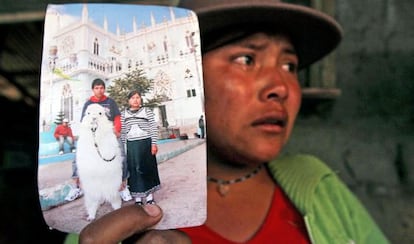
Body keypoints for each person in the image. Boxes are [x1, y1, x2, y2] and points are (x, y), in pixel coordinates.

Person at [74, 0, 390, 243]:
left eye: (290, 65)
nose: (281, 87)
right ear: (187, 75)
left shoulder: (318, 185)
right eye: (246, 59)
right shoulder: (117, 209)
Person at [65, 78, 132, 202]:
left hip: (109, 133)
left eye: (101, 88)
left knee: (121, 154)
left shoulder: (110, 102)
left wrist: (117, 130)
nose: (99, 90)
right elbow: (84, 121)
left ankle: (122, 186)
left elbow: (117, 117)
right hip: (93, 134)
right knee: (77, 156)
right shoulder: (88, 104)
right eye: (96, 88)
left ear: (104, 89)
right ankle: (76, 186)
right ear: (93, 89)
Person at [120, 90, 161, 205]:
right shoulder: (124, 114)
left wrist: (154, 144)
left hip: (145, 144)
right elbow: (123, 132)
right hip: (132, 146)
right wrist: (123, 149)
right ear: (129, 101)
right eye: (133, 98)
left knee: (147, 169)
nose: (135, 100)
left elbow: (153, 128)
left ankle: (149, 197)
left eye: (138, 97)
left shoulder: (146, 111)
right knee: (134, 171)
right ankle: (138, 199)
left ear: (140, 99)